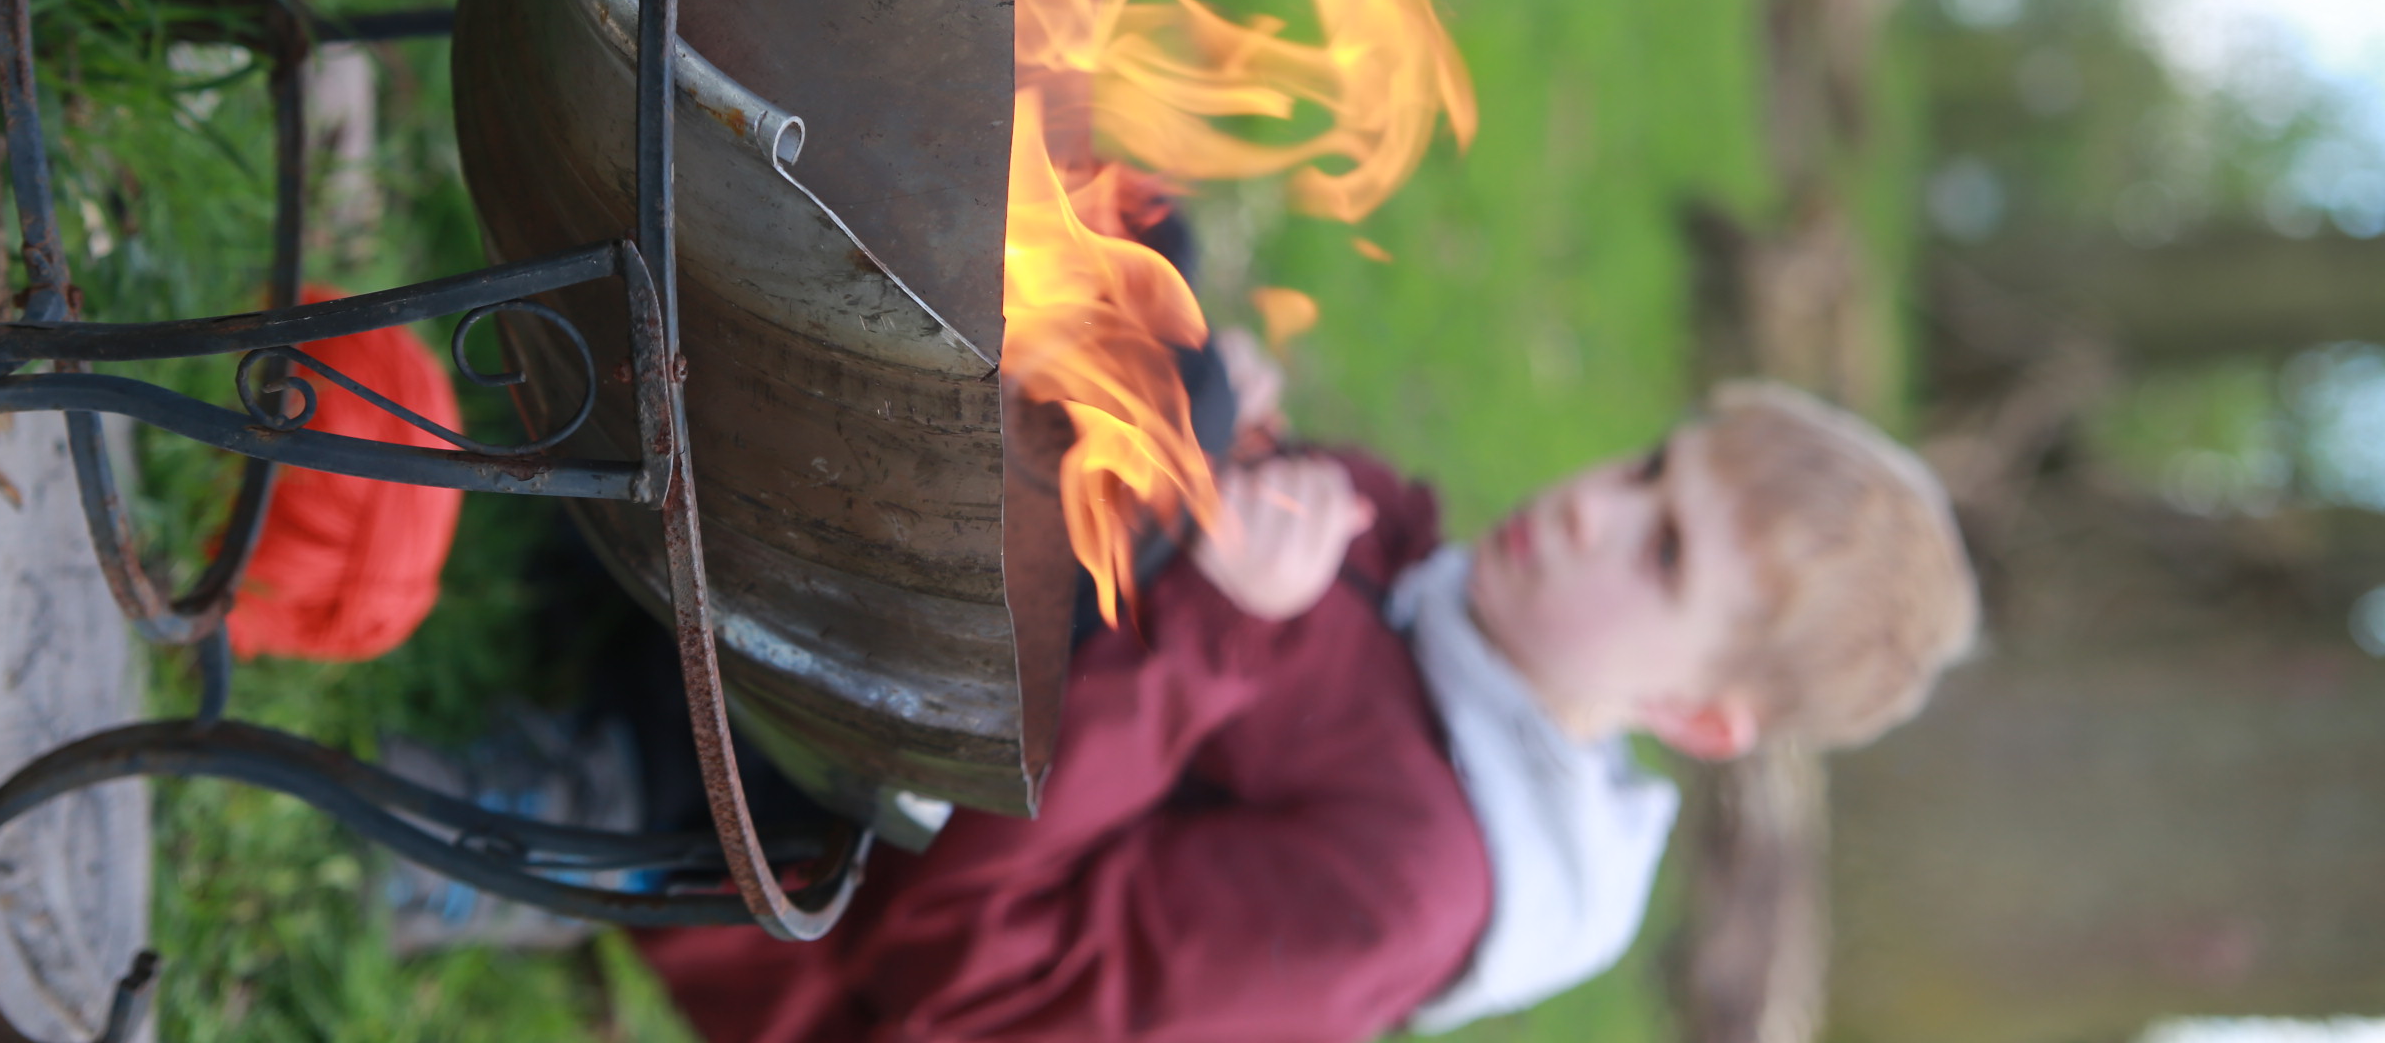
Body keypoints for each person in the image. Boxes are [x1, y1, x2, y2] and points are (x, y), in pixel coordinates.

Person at [630, 377, 1979, 1043]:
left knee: (611, 754)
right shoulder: (1406, 565)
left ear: (1697, 715)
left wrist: (1216, 629)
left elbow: (955, 981)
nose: (1590, 509)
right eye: (1646, 471)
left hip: (777, 892)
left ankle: (558, 815)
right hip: (843, 668)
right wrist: (1223, 421)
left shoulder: (1408, 889)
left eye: (1663, 550)